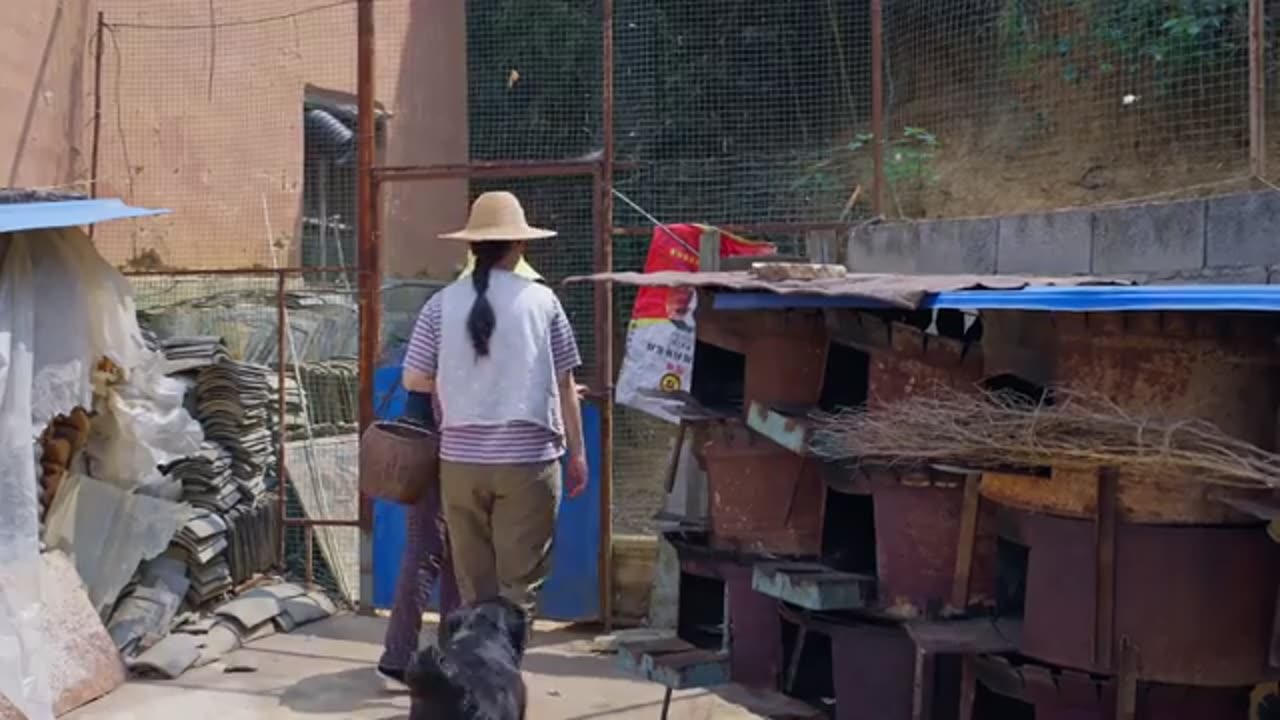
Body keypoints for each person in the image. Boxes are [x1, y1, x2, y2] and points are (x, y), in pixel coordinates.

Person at [402, 190, 588, 639]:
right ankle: (502, 680)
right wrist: (578, 454)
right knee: (519, 589)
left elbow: (413, 379)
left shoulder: (439, 305)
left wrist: (461, 382)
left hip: (461, 463)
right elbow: (565, 385)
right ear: (519, 246)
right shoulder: (544, 303)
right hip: (528, 463)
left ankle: (474, 681)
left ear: (471, 247)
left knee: (475, 590)